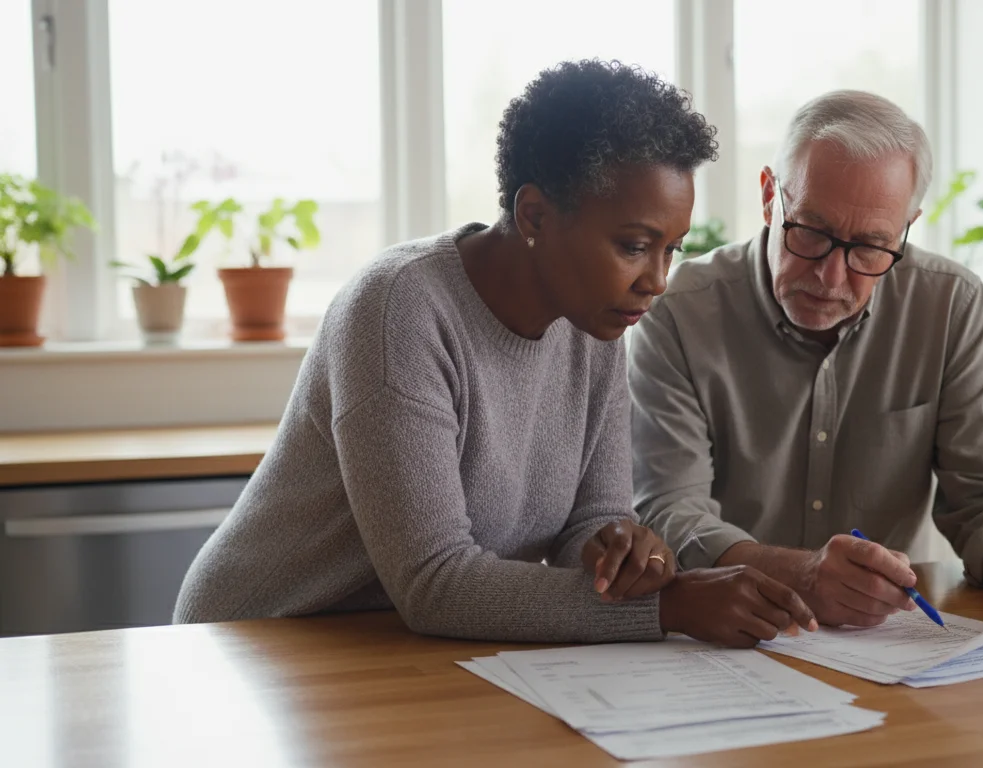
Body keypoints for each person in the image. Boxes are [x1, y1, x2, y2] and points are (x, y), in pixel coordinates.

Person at [174, 60, 817, 647]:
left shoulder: (595, 321)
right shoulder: (400, 310)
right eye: (633, 245)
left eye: (671, 248)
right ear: (533, 215)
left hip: (398, 648)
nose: (657, 279)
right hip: (253, 644)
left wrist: (621, 557)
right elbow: (436, 581)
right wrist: (666, 607)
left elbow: (587, 525)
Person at [628, 90, 983, 635]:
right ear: (769, 198)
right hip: (724, 642)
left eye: (870, 248)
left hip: (891, 644)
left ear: (906, 226)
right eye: (810, 231)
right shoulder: (678, 313)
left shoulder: (950, 305)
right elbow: (669, 513)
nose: (830, 277)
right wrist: (801, 575)